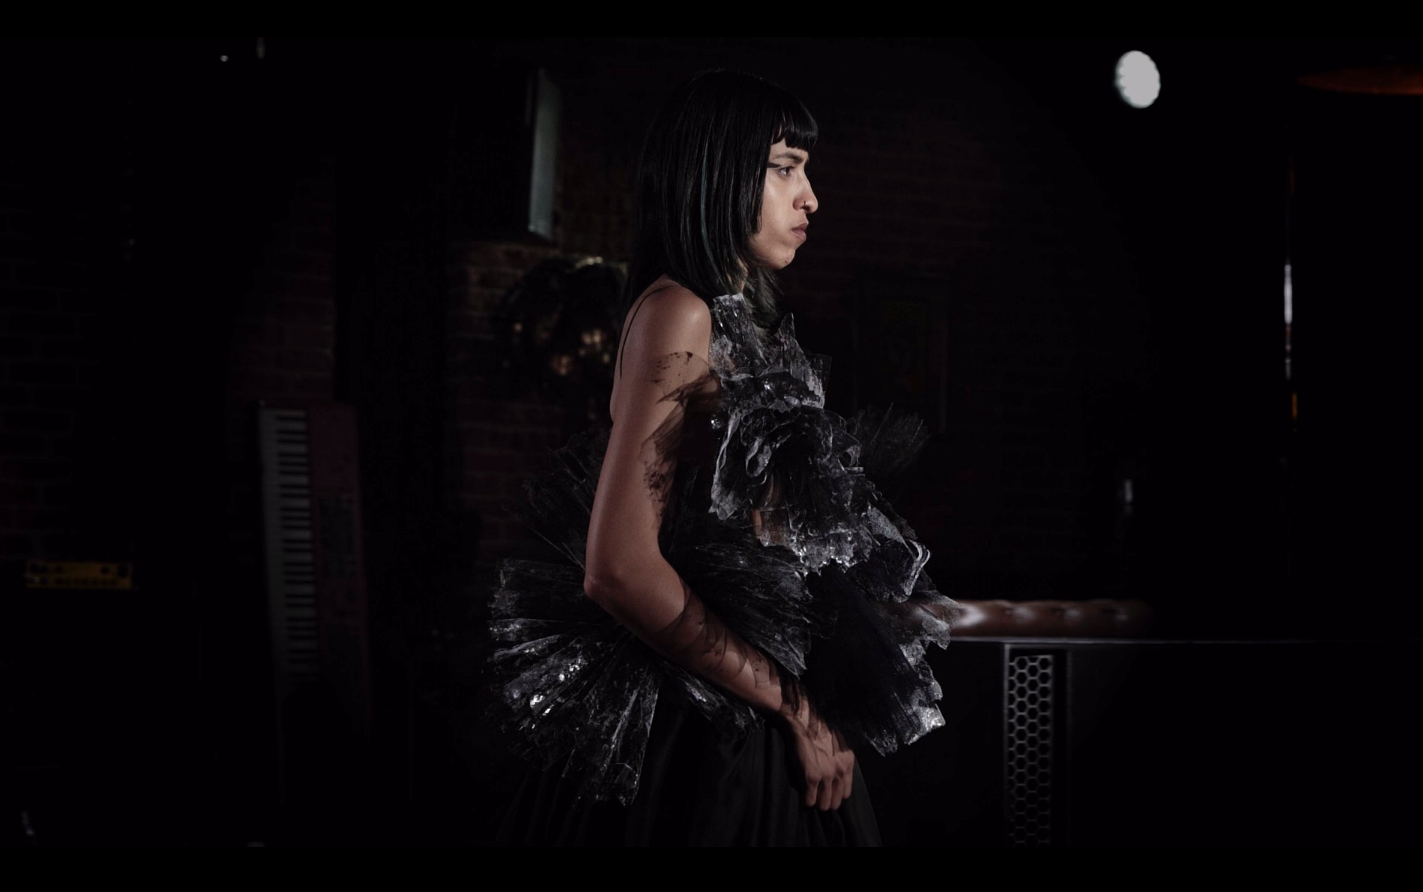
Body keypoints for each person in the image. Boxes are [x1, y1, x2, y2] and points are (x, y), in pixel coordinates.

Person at [490, 69, 955, 846]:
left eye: (804, 170)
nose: (810, 198)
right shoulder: (678, 311)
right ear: (717, 175)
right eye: (784, 168)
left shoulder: (737, 319)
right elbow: (619, 568)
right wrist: (794, 708)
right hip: (709, 734)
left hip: (748, 705)